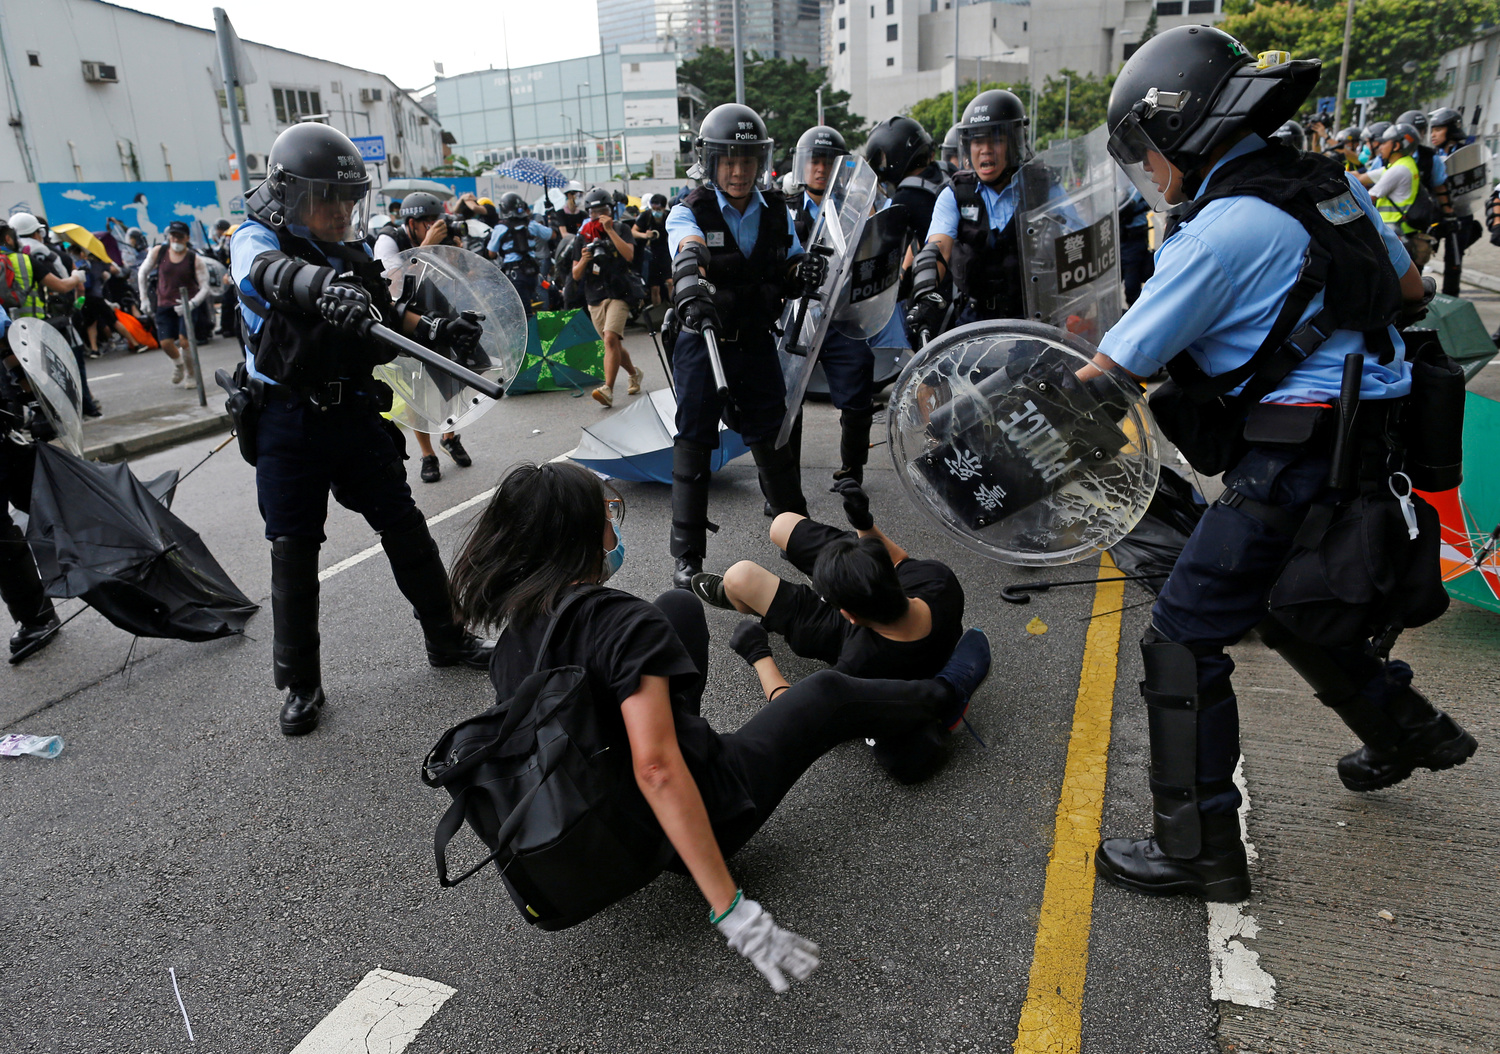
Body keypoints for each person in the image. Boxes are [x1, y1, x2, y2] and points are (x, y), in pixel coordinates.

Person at [1088, 26, 1475, 902]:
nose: (1151, 172)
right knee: (1297, 611)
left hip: (1290, 459)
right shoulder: (1324, 187)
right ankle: (1411, 730)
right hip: (1371, 450)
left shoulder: (1219, 229)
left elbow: (1109, 373)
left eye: (1149, 152)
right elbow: (1410, 290)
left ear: (1182, 129)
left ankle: (1199, 850)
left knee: (1183, 636)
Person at [446, 460, 993, 990]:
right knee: (826, 693)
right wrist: (733, 910)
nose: (614, 524)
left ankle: (679, 756)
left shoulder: (515, 638)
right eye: (608, 513)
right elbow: (656, 768)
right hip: (704, 815)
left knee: (679, 607)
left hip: (613, 823)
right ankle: (945, 691)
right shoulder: (620, 624)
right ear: (583, 534)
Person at [229, 122, 493, 736]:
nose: (342, 211)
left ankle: (446, 638)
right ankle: (300, 684)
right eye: (329, 198)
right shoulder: (254, 238)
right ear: (292, 193)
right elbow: (264, 273)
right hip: (286, 419)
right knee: (294, 550)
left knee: (404, 525)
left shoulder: (349, 249)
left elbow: (385, 311)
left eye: (350, 200)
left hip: (351, 414)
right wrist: (322, 288)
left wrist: (432, 331)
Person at [691, 477, 968, 780]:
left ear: (847, 613)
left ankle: (739, 598)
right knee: (782, 524)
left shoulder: (857, 665)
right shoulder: (938, 581)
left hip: (834, 635)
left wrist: (758, 654)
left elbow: (792, 711)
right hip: (876, 601)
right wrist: (865, 525)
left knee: (739, 578)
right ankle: (767, 591)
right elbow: (899, 560)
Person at [665, 102, 828, 588]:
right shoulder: (687, 209)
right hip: (703, 340)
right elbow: (687, 248)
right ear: (710, 162)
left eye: (747, 159)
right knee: (694, 443)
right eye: (728, 160)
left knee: (773, 441)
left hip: (757, 343)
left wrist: (806, 272)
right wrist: (689, 283)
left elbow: (792, 263)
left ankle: (804, 540)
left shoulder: (777, 210)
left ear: (761, 161)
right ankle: (687, 556)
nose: (738, 171)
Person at [789, 124, 880, 485]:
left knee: (858, 394)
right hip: (795, 317)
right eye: (814, 160)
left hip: (842, 318)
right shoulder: (782, 208)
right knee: (786, 403)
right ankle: (783, 483)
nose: (820, 168)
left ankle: (852, 468)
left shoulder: (857, 210)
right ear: (802, 164)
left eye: (828, 161)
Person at [906, 91, 1035, 341]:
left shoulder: (1042, 186)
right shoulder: (955, 194)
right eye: (977, 141)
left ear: (1014, 141)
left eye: (995, 140)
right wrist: (925, 296)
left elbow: (1074, 245)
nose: (985, 150)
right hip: (974, 319)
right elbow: (938, 248)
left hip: (1033, 319)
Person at [0, 315, 61, 663]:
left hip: (5, 430)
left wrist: (37, 401)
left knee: (52, 511)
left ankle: (37, 617)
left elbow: (12, 344)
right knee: (50, 510)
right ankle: (36, 616)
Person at [6, 214, 102, 417]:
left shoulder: (8, 259)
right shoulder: (36, 257)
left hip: (8, 327)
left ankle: (28, 416)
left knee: (23, 373)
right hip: (44, 321)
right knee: (68, 365)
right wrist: (77, 281)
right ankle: (82, 408)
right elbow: (62, 285)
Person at [568, 187, 643, 408]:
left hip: (620, 292)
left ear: (611, 210)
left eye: (603, 210)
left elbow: (629, 255)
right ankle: (634, 373)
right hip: (595, 295)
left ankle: (607, 389)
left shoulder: (621, 228)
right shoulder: (582, 237)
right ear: (588, 213)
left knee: (610, 338)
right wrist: (583, 259)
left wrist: (610, 231)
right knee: (612, 344)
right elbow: (575, 274)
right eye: (594, 212)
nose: (599, 215)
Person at [137, 221, 211, 386]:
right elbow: (142, 273)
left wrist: (191, 304)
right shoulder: (159, 252)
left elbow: (205, 287)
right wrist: (144, 299)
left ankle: (191, 374)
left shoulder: (194, 259)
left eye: (180, 236)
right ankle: (179, 365)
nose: (176, 240)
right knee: (165, 343)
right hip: (164, 303)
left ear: (187, 238)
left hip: (187, 303)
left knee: (184, 342)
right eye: (173, 236)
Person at [1362, 123, 1438, 268]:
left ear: (1397, 145)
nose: (1380, 147)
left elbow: (1367, 198)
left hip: (1396, 235)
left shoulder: (1400, 170)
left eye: (1385, 143)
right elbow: (1360, 177)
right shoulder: (1401, 165)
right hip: (1397, 233)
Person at [486, 192, 551, 312]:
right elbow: (549, 234)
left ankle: (530, 330)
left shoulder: (501, 227)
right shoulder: (531, 224)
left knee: (522, 311)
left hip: (515, 274)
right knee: (535, 306)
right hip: (533, 273)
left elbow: (491, 253)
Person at [634, 194, 671, 307]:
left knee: (670, 282)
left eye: (658, 209)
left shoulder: (669, 216)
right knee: (654, 288)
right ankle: (657, 312)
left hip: (665, 253)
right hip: (651, 255)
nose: (656, 212)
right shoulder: (646, 216)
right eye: (653, 209)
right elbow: (633, 231)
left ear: (664, 208)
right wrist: (645, 235)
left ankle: (675, 307)